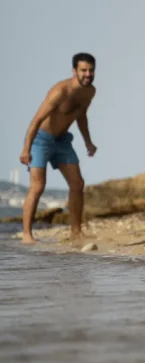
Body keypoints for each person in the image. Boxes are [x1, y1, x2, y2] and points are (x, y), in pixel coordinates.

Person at [19, 53, 98, 244]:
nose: (88, 74)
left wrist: (88, 141)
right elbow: (36, 120)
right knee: (37, 187)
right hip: (41, 140)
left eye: (91, 70)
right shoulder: (60, 92)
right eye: (83, 70)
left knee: (77, 183)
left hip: (62, 140)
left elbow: (81, 116)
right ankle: (27, 234)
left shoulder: (90, 92)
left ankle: (76, 231)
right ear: (74, 71)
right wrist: (26, 148)